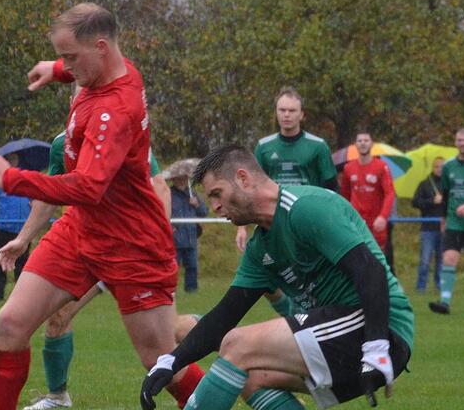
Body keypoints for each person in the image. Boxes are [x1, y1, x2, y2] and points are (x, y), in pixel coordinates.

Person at [0, 3, 204, 410]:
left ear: (99, 48)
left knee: (161, 362)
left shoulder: (114, 110)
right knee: (10, 323)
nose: (67, 65)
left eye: (71, 58)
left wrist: (12, 178)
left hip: (131, 243)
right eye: (63, 56)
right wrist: (58, 69)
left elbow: (89, 185)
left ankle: (229, 396)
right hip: (81, 230)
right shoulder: (113, 68)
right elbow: (89, 196)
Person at [140, 145, 414, 410]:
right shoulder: (260, 247)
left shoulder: (306, 207)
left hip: (380, 328)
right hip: (344, 335)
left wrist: (376, 347)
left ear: (243, 178)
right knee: (249, 377)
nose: (214, 207)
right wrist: (170, 362)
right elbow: (224, 316)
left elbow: (371, 271)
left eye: (216, 193)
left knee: (238, 345)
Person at [0, 123, 172, 410]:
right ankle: (57, 396)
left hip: (131, 251)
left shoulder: (127, 135)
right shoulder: (60, 144)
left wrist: (160, 241)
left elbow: (160, 188)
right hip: (87, 250)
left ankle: (214, 345)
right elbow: (49, 196)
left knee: (165, 342)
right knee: (57, 315)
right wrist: (23, 239)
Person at [239, 87, 337, 316]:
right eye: (282, 109)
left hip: (307, 222)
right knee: (267, 274)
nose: (287, 114)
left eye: (292, 110)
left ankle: (309, 319)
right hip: (273, 224)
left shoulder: (317, 146)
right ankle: (294, 315)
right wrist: (242, 227)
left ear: (302, 114)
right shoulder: (264, 147)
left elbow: (332, 190)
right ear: (276, 113)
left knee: (309, 277)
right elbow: (250, 189)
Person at [429, 129, 464, 315]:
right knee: (449, 258)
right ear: (455, 143)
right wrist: (443, 219)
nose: (463, 143)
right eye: (459, 140)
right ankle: (445, 302)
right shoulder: (448, 166)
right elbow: (446, 195)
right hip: (455, 222)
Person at [339, 132, 396, 271]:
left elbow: (390, 193)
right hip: (356, 221)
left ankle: (384, 288)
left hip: (376, 221)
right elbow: (344, 195)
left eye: (366, 140)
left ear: (371, 144)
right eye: (360, 140)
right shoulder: (348, 168)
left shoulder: (381, 166)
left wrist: (383, 216)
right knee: (357, 256)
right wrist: (345, 216)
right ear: (355, 145)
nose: (363, 143)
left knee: (378, 259)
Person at [0, 153, 32, 301]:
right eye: (9, 159)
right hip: (3, 230)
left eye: (15, 158)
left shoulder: (24, 176)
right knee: (0, 263)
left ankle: (21, 297)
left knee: (23, 265)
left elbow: (33, 197)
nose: (12, 161)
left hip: (23, 230)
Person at [169, 174, 207, 293]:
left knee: (192, 267)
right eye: (178, 178)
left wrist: (197, 204)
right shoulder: (168, 195)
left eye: (184, 178)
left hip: (191, 238)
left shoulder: (193, 194)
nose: (181, 181)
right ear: (173, 179)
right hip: (174, 239)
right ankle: (171, 291)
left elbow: (204, 212)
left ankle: (191, 291)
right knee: (172, 268)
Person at [412, 158, 446, 293]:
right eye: (437, 166)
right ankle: (421, 287)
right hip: (428, 229)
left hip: (444, 227)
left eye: (442, 167)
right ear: (433, 168)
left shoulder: (447, 185)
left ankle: (439, 285)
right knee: (425, 260)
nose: (440, 169)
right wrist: (432, 201)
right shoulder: (425, 184)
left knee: (441, 260)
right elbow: (415, 202)